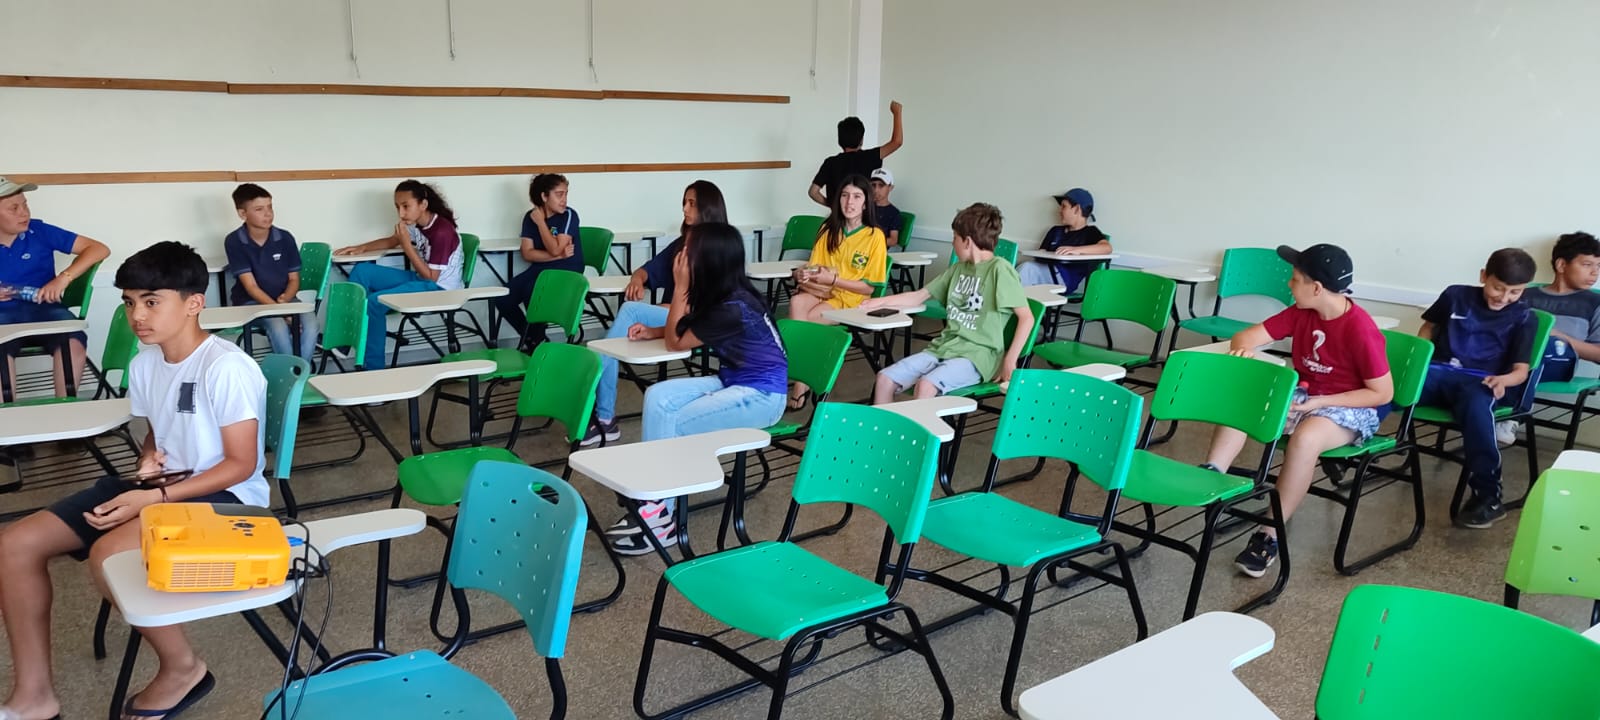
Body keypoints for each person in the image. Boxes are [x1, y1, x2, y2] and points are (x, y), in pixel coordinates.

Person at [0, 241, 267, 720]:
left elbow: (241, 465)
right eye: (128, 302)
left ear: (194, 303)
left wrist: (154, 497)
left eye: (150, 301)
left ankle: (183, 668)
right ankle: (34, 697)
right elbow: (157, 436)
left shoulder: (225, 367)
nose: (136, 315)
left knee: (109, 555)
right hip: (164, 487)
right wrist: (148, 463)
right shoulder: (146, 364)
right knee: (14, 545)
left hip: (228, 498)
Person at [1200, 244, 1392, 578]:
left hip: (1351, 405)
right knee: (1245, 402)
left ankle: (1269, 534)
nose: (1289, 284)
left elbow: (1382, 393)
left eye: (1295, 279)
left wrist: (1320, 403)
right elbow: (1245, 337)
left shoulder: (1359, 327)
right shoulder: (1301, 312)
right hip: (1306, 395)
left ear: (1316, 288)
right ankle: (1211, 476)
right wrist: (1245, 352)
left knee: (1306, 439)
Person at [601, 222, 788, 554]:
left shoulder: (733, 305)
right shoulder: (723, 292)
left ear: (710, 259)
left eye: (689, 251)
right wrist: (653, 331)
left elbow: (677, 343)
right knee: (658, 396)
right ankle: (654, 496)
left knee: (676, 422)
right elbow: (687, 330)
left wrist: (681, 286)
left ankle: (662, 518)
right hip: (736, 381)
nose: (682, 255)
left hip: (763, 396)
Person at [583, 180, 729, 446]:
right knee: (619, 329)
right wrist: (637, 281)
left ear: (708, 208)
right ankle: (601, 413)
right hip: (670, 317)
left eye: (692, 203)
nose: (684, 208)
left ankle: (599, 409)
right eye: (684, 202)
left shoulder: (719, 248)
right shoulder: (682, 243)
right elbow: (646, 269)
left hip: (693, 323)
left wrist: (673, 308)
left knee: (626, 316)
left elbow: (715, 307)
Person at [1418, 248, 1540, 529]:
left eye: (1515, 292)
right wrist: (1420, 359)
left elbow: (1520, 372)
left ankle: (1488, 496)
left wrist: (1504, 380)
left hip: (1483, 382)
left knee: (1477, 408)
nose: (1504, 298)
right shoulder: (1455, 295)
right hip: (1439, 372)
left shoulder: (1524, 317)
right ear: (1484, 276)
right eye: (1498, 288)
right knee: (1391, 386)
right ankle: (1348, 437)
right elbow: (1428, 328)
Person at [864, 203, 1032, 402]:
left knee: (926, 385)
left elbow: (1026, 318)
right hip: (944, 348)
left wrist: (1010, 359)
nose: (953, 244)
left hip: (977, 356)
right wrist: (878, 302)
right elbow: (919, 296)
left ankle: (921, 424)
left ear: (967, 241)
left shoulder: (1000, 269)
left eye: (955, 238)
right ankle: (886, 424)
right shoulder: (958, 269)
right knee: (884, 379)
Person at [0, 177, 110, 401]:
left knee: (73, 342)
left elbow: (99, 249)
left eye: (25, 204)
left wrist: (63, 278)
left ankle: (66, 409)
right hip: (3, 316)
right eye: (14, 208)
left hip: (46, 310)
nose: (24, 213)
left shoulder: (39, 231)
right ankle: (6, 418)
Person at [334, 180, 464, 369]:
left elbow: (431, 277)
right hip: (421, 279)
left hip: (440, 289)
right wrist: (361, 248)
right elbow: (392, 240)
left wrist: (406, 245)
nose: (401, 213)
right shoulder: (416, 223)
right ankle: (343, 341)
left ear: (423, 205)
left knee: (374, 302)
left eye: (406, 206)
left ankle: (374, 370)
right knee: (363, 271)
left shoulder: (442, 231)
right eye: (397, 207)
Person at [786, 174, 888, 408]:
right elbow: (814, 268)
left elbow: (869, 286)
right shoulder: (827, 229)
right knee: (796, 303)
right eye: (844, 195)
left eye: (857, 196)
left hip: (851, 299)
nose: (849, 202)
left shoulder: (874, 236)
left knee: (804, 322)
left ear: (866, 203)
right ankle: (803, 380)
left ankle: (801, 384)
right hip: (822, 291)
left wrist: (834, 279)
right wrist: (801, 274)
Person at [1516, 232, 1600, 441]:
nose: (1595, 272)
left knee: (1542, 345)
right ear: (1561, 265)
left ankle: (1512, 413)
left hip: (1559, 363)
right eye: (1587, 265)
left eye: (1598, 266)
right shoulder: (1524, 295)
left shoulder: (1594, 303)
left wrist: (1557, 336)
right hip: (1515, 357)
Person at [223, 183, 320, 364]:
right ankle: (289, 373)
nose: (268, 214)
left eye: (270, 207)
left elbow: (294, 279)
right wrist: (281, 312)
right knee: (278, 327)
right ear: (242, 214)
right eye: (259, 209)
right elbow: (251, 287)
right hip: (252, 303)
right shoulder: (234, 241)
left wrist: (285, 301)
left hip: (286, 300)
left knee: (311, 324)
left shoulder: (285, 237)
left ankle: (301, 372)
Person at [494, 173, 582, 345]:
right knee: (503, 297)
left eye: (566, 194)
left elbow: (555, 248)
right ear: (544, 196)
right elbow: (527, 254)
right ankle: (533, 339)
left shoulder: (569, 215)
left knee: (532, 291)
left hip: (567, 270)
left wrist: (542, 224)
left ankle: (536, 342)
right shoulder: (530, 217)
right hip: (540, 269)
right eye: (559, 194)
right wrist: (557, 254)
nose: (564, 199)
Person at [809, 101, 905, 206]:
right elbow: (897, 142)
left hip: (838, 216)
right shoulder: (870, 157)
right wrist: (897, 113)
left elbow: (813, 192)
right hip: (863, 215)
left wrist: (834, 206)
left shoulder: (830, 163)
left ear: (840, 141)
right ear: (861, 140)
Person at [1017, 187, 1111, 292]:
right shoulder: (1055, 231)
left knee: (1027, 269)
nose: (1060, 211)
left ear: (1077, 209)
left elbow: (1106, 248)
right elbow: (1041, 254)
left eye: (1064, 206)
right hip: (1045, 273)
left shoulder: (1090, 232)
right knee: (1022, 270)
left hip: (1065, 280)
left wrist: (1076, 250)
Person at [869, 168, 905, 249]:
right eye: (873, 185)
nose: (876, 190)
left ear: (890, 187)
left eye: (881, 185)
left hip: (876, 251)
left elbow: (893, 240)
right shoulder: (864, 207)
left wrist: (870, 241)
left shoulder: (894, 213)